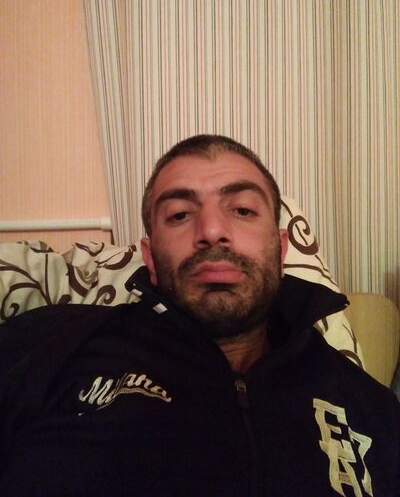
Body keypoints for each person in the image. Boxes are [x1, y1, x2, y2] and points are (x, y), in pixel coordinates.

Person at [0, 135, 398, 496]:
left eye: (242, 210)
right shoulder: (52, 341)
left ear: (281, 251)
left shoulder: (371, 407)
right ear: (150, 258)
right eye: (179, 215)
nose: (211, 230)